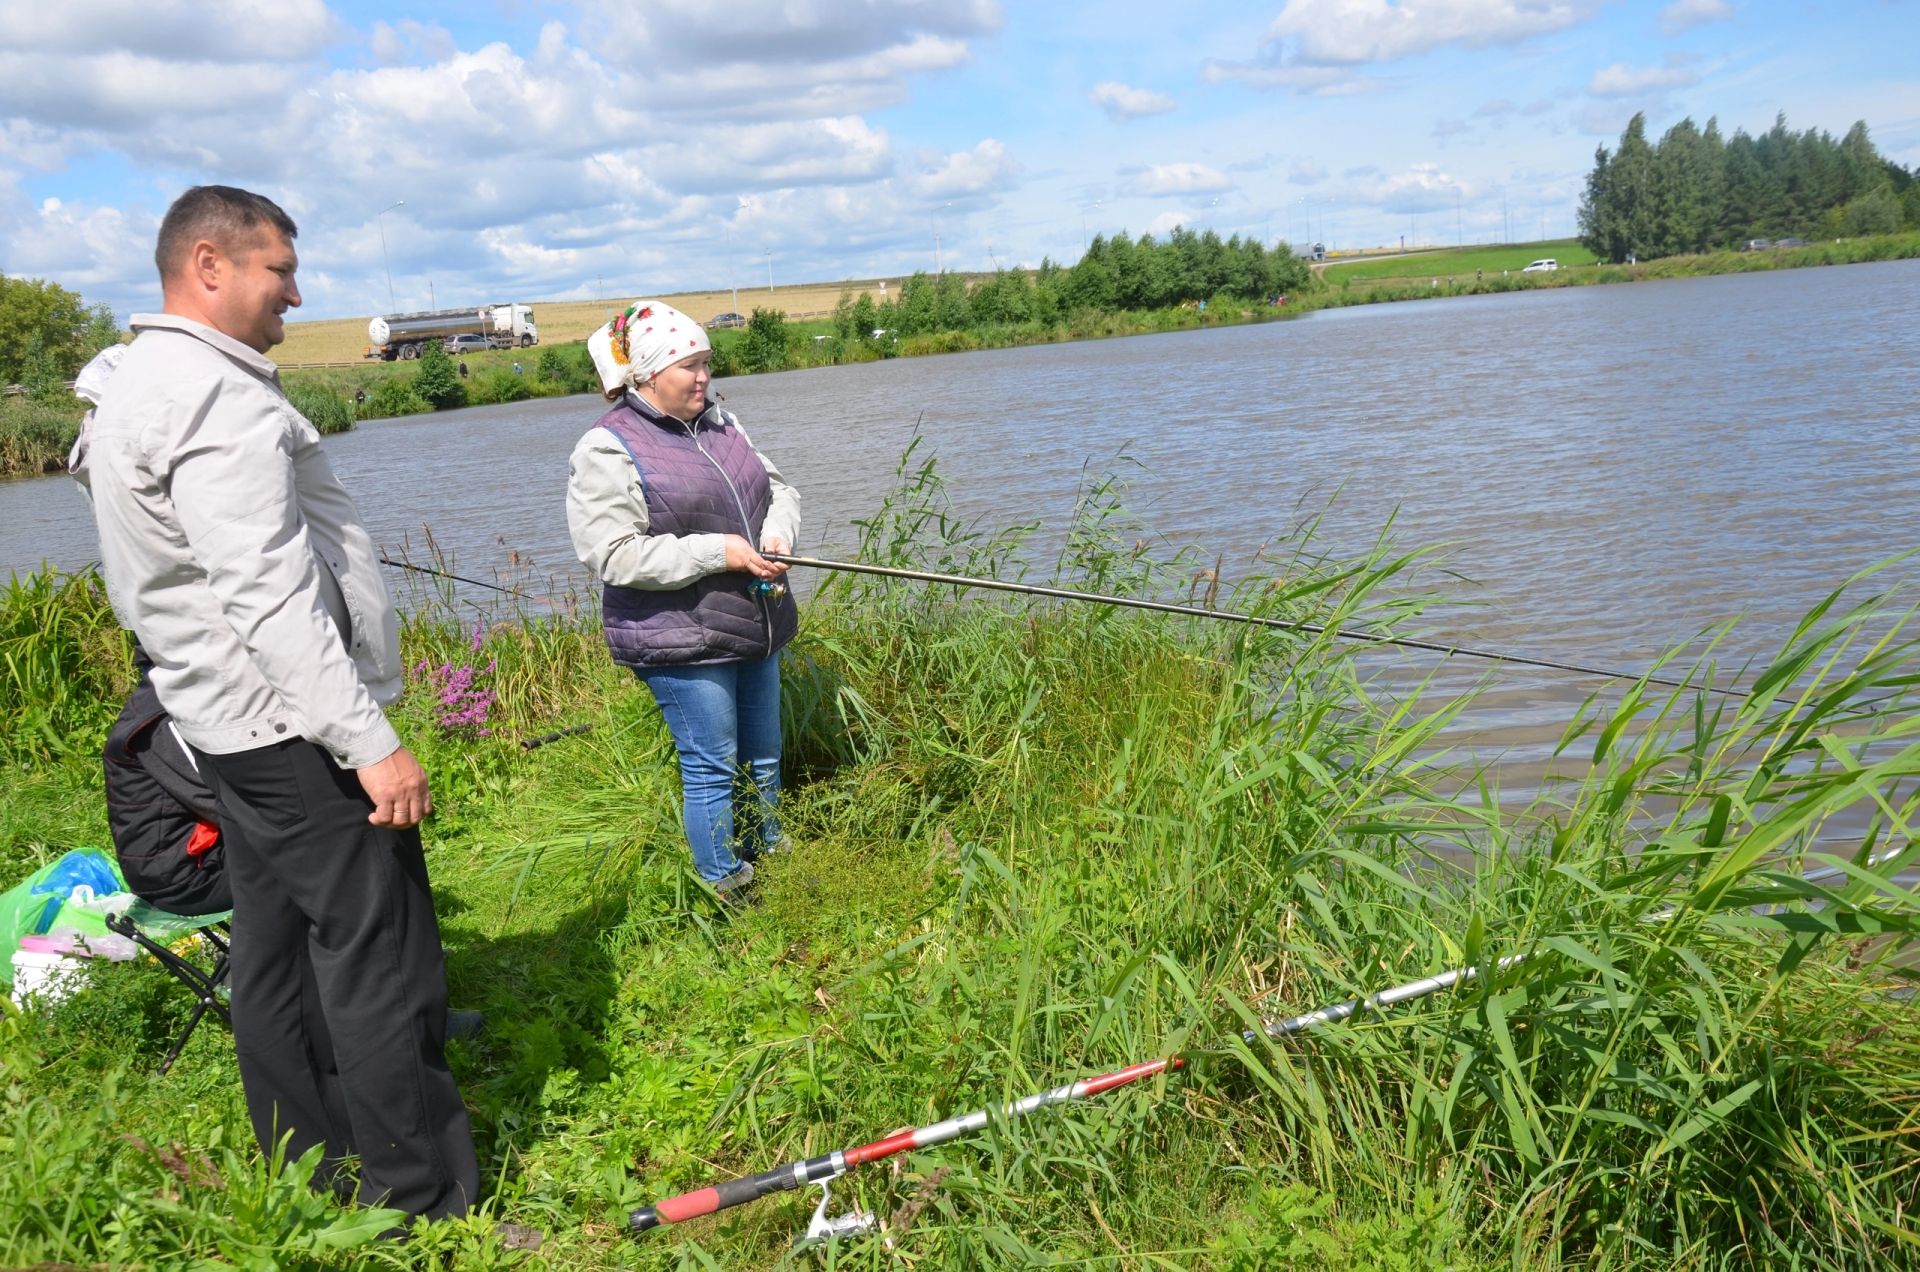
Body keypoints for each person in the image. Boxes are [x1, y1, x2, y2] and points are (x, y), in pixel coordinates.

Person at [81, 185, 478, 1222]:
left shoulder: (134, 382)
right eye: (280, 272)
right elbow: (264, 589)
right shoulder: (211, 396)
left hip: (222, 720)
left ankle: (304, 1160)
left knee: (270, 943)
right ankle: (420, 1200)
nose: (296, 295)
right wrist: (368, 741)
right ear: (208, 265)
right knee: (375, 952)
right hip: (290, 721)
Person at [566, 300, 799, 899]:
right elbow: (611, 553)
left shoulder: (722, 423)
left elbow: (775, 487)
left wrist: (776, 536)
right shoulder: (607, 447)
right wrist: (718, 551)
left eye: (706, 363)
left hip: (754, 621)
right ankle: (729, 888)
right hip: (680, 638)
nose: (703, 377)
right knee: (713, 768)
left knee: (764, 759)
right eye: (688, 366)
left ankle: (774, 861)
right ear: (645, 375)